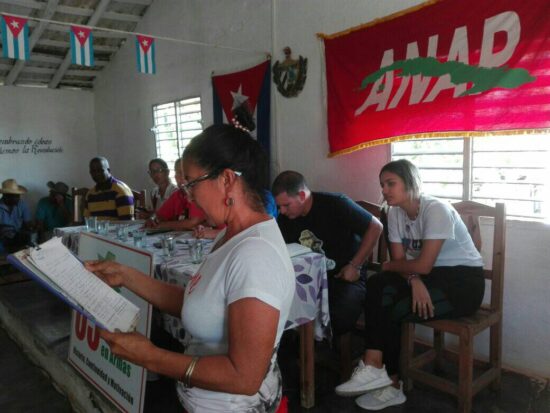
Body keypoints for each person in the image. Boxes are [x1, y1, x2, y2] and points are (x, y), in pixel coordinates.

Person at [86, 124, 295, 412]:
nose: (188, 196)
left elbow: (244, 377)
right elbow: (199, 302)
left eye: (191, 183)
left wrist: (151, 357)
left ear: (226, 179)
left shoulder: (256, 255)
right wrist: (125, 275)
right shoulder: (229, 234)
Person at [335, 159, 485, 411]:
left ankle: (390, 382)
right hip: (430, 277)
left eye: (391, 184)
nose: (384, 190)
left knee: (389, 304)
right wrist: (413, 279)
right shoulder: (393, 213)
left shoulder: (435, 209)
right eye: (382, 185)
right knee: (378, 283)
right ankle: (375, 368)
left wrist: (400, 269)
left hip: (464, 283)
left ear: (411, 183)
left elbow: (417, 264)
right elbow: (402, 261)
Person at [272, 171, 383, 336]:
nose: (281, 211)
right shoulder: (285, 218)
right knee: (274, 307)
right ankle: (298, 356)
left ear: (302, 195)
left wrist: (354, 265)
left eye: (286, 205)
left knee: (339, 314)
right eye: (278, 206)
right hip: (306, 281)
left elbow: (376, 227)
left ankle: (323, 352)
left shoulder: (335, 203)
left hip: (343, 277)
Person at [144, 158, 207, 231]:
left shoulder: (198, 193)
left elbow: (193, 222)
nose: (178, 176)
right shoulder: (178, 194)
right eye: (177, 172)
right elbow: (160, 215)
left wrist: (162, 225)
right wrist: (152, 219)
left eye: (183, 172)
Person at [0, 179, 33, 253]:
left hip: (18, 234)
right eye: (14, 196)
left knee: (31, 245)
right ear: (5, 196)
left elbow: (28, 223)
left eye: (18, 196)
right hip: (2, 237)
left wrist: (32, 227)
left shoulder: (22, 204)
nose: (18, 198)